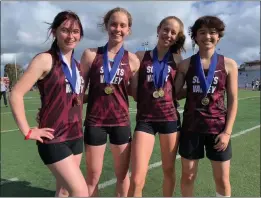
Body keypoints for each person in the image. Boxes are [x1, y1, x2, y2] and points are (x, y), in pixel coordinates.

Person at [9, 11, 89, 197]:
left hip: (75, 135)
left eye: (75, 31)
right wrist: (28, 131)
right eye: (65, 30)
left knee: (64, 191)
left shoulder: (76, 66)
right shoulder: (45, 59)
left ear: (81, 35)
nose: (71, 36)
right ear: (54, 32)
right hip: (54, 138)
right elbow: (16, 94)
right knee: (81, 192)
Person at [175, 16, 238, 197]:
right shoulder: (185, 64)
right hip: (191, 128)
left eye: (212, 32)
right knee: (188, 177)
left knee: (222, 179)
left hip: (218, 130)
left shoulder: (229, 64)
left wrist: (227, 132)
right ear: (195, 37)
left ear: (219, 36)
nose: (207, 36)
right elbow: (176, 94)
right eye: (202, 32)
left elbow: (233, 100)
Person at [80, 7, 140, 197]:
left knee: (122, 176)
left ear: (128, 29)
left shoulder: (132, 60)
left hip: (121, 122)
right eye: (113, 24)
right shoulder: (90, 54)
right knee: (93, 176)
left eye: (123, 25)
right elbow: (79, 92)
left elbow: (136, 93)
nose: (118, 29)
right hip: (95, 122)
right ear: (106, 26)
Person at [128, 16, 186, 197]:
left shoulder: (177, 59)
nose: (168, 34)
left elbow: (177, 92)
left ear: (177, 37)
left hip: (170, 119)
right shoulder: (140, 56)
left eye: (173, 32)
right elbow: (134, 92)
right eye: (165, 29)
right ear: (158, 29)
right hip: (145, 120)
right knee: (137, 177)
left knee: (168, 170)